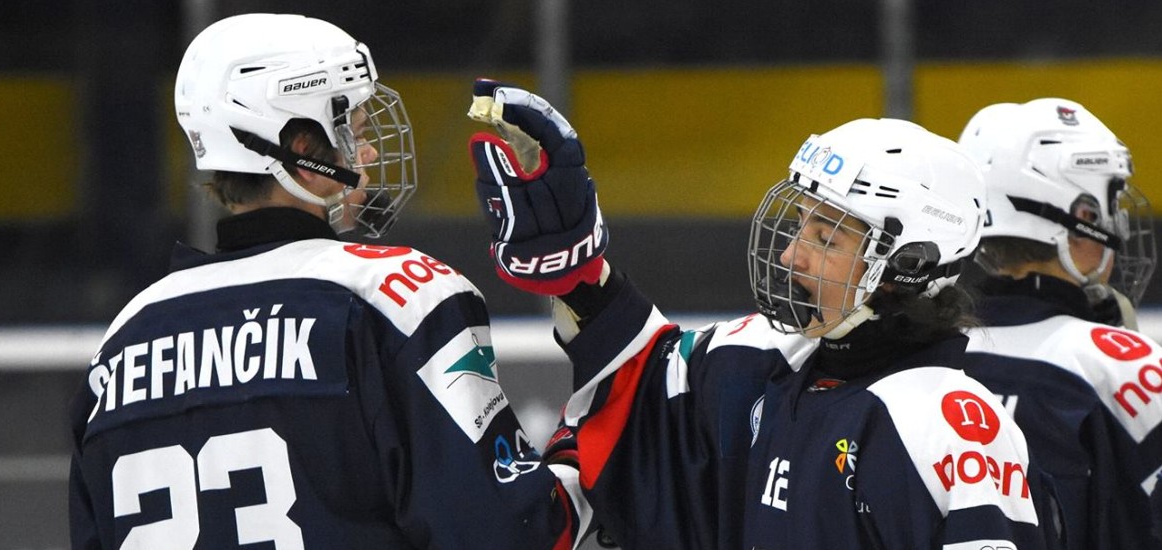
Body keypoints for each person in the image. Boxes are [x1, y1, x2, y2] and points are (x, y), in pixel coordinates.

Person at [466, 79, 1059, 549]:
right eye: (801, 224)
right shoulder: (766, 356)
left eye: (826, 238)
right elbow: (644, 399)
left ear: (908, 265)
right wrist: (579, 276)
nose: (790, 254)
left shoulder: (949, 426)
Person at [68, 15, 586, 549]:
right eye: (355, 133)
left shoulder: (121, 346)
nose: (369, 153)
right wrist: (592, 312)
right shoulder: (397, 298)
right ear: (303, 155)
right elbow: (518, 535)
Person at [956, 97, 1162, 548]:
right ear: (1082, 217)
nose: (1118, 220)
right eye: (1109, 201)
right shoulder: (1123, 368)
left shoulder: (923, 356)